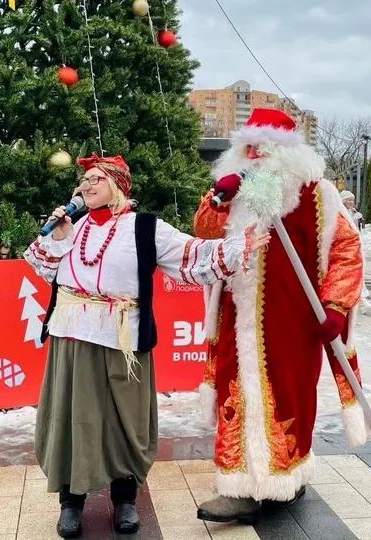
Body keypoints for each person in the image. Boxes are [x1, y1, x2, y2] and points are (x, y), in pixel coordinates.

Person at [24, 153, 268, 538]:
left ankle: (124, 499)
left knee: (127, 421)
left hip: (124, 339)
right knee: (73, 419)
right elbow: (44, 267)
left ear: (118, 186)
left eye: (95, 179)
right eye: (84, 180)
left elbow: (192, 255)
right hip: (72, 337)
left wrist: (240, 245)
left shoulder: (144, 228)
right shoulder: (74, 226)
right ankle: (71, 503)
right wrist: (58, 237)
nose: (86, 185)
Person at [192, 107, 371, 524]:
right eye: (247, 149)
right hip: (237, 318)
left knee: (290, 394)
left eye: (263, 149)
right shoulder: (229, 194)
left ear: (286, 153)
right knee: (235, 393)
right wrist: (220, 197)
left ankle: (284, 477)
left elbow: (346, 252)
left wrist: (337, 307)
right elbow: (202, 230)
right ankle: (238, 487)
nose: (254, 157)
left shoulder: (317, 194)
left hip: (292, 320)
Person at [340, 190, 371, 313]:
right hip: (344, 250)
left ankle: (362, 301)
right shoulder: (340, 213)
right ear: (343, 201)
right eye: (349, 200)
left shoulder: (352, 213)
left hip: (353, 248)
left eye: (353, 199)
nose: (352, 202)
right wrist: (352, 219)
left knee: (357, 275)